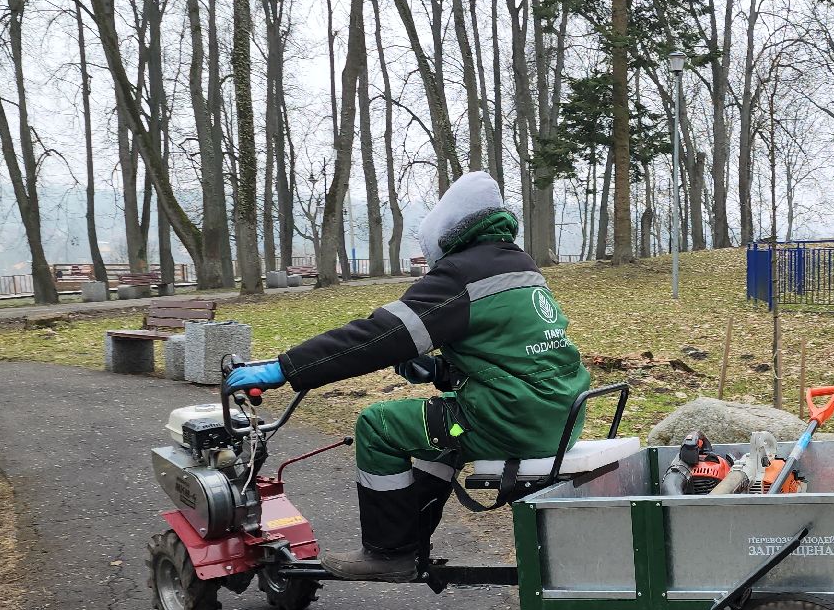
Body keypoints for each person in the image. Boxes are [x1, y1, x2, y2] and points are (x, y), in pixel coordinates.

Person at [224, 172, 589, 581]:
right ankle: (411, 538)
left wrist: (286, 368)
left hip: (511, 419)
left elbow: (378, 336)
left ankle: (388, 553)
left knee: (378, 427)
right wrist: (437, 370)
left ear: (445, 233)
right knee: (438, 440)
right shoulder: (518, 264)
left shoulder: (461, 276)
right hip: (558, 413)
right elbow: (511, 358)